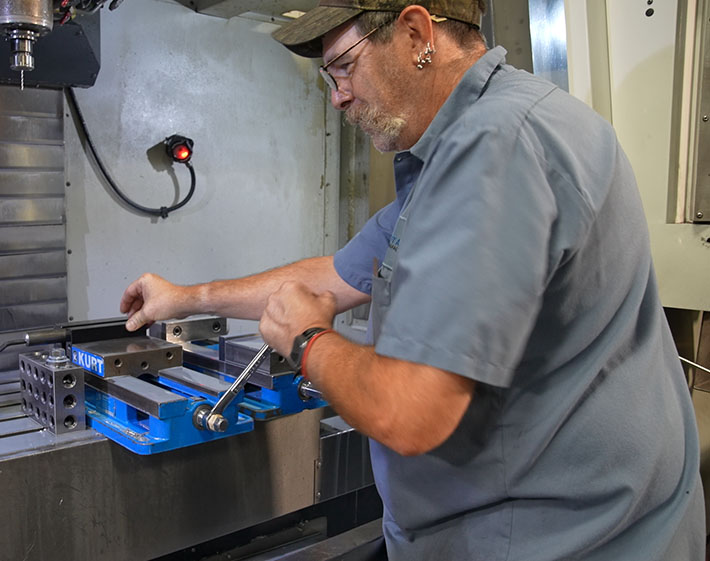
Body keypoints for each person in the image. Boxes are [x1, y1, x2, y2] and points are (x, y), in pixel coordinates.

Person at [119, 1, 706, 558]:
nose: (338, 97)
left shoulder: (494, 147)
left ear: (418, 35)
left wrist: (308, 342)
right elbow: (335, 274)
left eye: (345, 67)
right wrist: (185, 298)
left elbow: (411, 410)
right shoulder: (473, 141)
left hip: (553, 539)